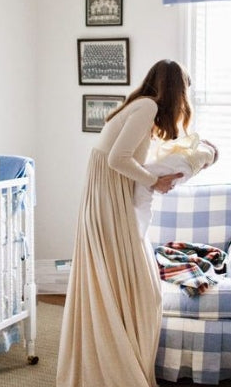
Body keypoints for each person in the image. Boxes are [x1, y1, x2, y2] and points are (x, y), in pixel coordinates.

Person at [56, 59, 194, 387]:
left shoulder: (137, 105)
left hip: (106, 193)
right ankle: (117, 365)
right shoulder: (147, 107)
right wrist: (153, 181)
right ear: (175, 90)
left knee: (124, 281)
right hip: (108, 196)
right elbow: (118, 158)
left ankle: (117, 354)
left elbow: (124, 154)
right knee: (141, 287)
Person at [134, 132, 218, 238]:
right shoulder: (198, 153)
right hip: (184, 170)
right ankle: (141, 231)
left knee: (144, 183)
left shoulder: (197, 148)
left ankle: (140, 230)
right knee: (145, 190)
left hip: (183, 164)